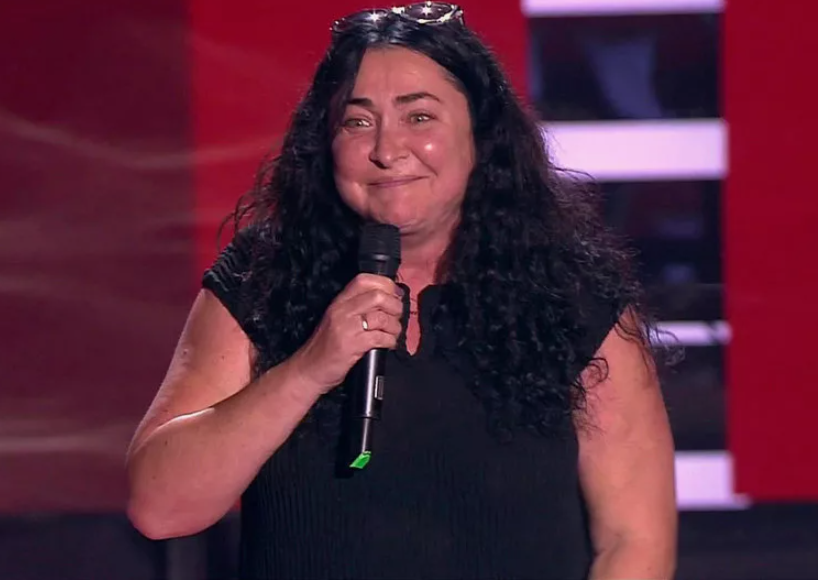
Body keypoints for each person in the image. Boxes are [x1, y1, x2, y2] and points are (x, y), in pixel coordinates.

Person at [125, 3, 677, 578]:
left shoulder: (570, 292)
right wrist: (308, 368)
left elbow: (633, 540)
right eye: (357, 122)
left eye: (419, 117)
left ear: (481, 134)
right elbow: (161, 508)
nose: (387, 151)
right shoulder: (263, 279)